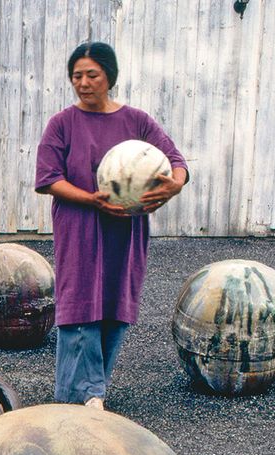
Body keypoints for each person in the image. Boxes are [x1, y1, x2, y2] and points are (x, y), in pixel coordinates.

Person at [34, 41, 188, 410]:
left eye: (92, 75)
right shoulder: (63, 124)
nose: (83, 83)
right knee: (80, 302)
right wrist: (90, 199)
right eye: (76, 76)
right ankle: (88, 394)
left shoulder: (135, 121)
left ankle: (83, 389)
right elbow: (47, 178)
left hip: (125, 227)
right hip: (80, 224)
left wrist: (175, 183)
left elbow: (175, 161)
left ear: (109, 77)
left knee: (116, 301)